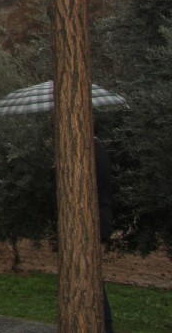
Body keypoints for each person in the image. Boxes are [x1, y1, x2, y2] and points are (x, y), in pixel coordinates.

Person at [96, 137, 114, 333]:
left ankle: (106, 327)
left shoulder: (92, 149)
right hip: (99, 223)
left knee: (94, 283)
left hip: (94, 225)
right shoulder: (96, 148)